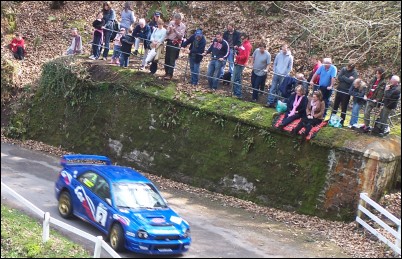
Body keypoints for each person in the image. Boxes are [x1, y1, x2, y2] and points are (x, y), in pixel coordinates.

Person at [331, 61, 358, 126]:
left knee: (344, 107)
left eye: (349, 67)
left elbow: (351, 81)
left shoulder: (354, 73)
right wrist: (347, 78)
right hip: (339, 89)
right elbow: (339, 77)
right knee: (335, 105)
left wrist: (344, 77)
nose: (347, 68)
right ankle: (331, 118)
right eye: (347, 67)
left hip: (346, 92)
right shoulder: (343, 69)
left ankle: (342, 121)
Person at [360, 67, 387, 133]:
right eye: (376, 73)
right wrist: (365, 95)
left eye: (378, 73)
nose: (377, 74)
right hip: (368, 97)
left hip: (373, 100)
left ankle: (367, 125)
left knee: (367, 111)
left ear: (381, 74)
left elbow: (381, 93)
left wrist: (377, 99)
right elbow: (368, 87)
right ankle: (365, 123)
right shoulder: (373, 79)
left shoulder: (383, 82)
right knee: (365, 111)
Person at [164, 13, 186, 80]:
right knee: (167, 58)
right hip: (169, 41)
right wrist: (169, 29)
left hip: (175, 43)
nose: (175, 22)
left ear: (180, 20)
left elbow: (181, 36)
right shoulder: (171, 22)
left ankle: (170, 74)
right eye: (175, 20)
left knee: (172, 59)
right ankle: (166, 72)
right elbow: (167, 33)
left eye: (177, 20)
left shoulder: (183, 26)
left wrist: (175, 30)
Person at [232, 33, 252, 99]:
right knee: (236, 78)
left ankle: (238, 94)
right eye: (241, 38)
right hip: (238, 62)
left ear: (246, 38)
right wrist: (238, 49)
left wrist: (237, 57)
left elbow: (245, 56)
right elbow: (241, 51)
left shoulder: (247, 45)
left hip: (240, 64)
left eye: (243, 39)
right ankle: (235, 93)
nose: (242, 40)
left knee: (236, 79)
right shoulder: (243, 44)